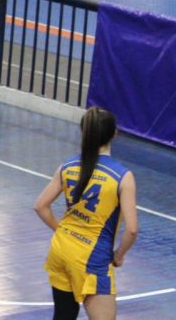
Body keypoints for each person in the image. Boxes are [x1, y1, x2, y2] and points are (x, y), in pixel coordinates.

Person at [33, 107, 138, 320]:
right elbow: (132, 230)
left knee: (64, 315)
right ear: (114, 134)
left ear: (84, 132)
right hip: (92, 258)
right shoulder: (122, 176)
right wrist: (118, 255)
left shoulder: (67, 166)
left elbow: (41, 206)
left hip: (60, 250)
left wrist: (62, 231)